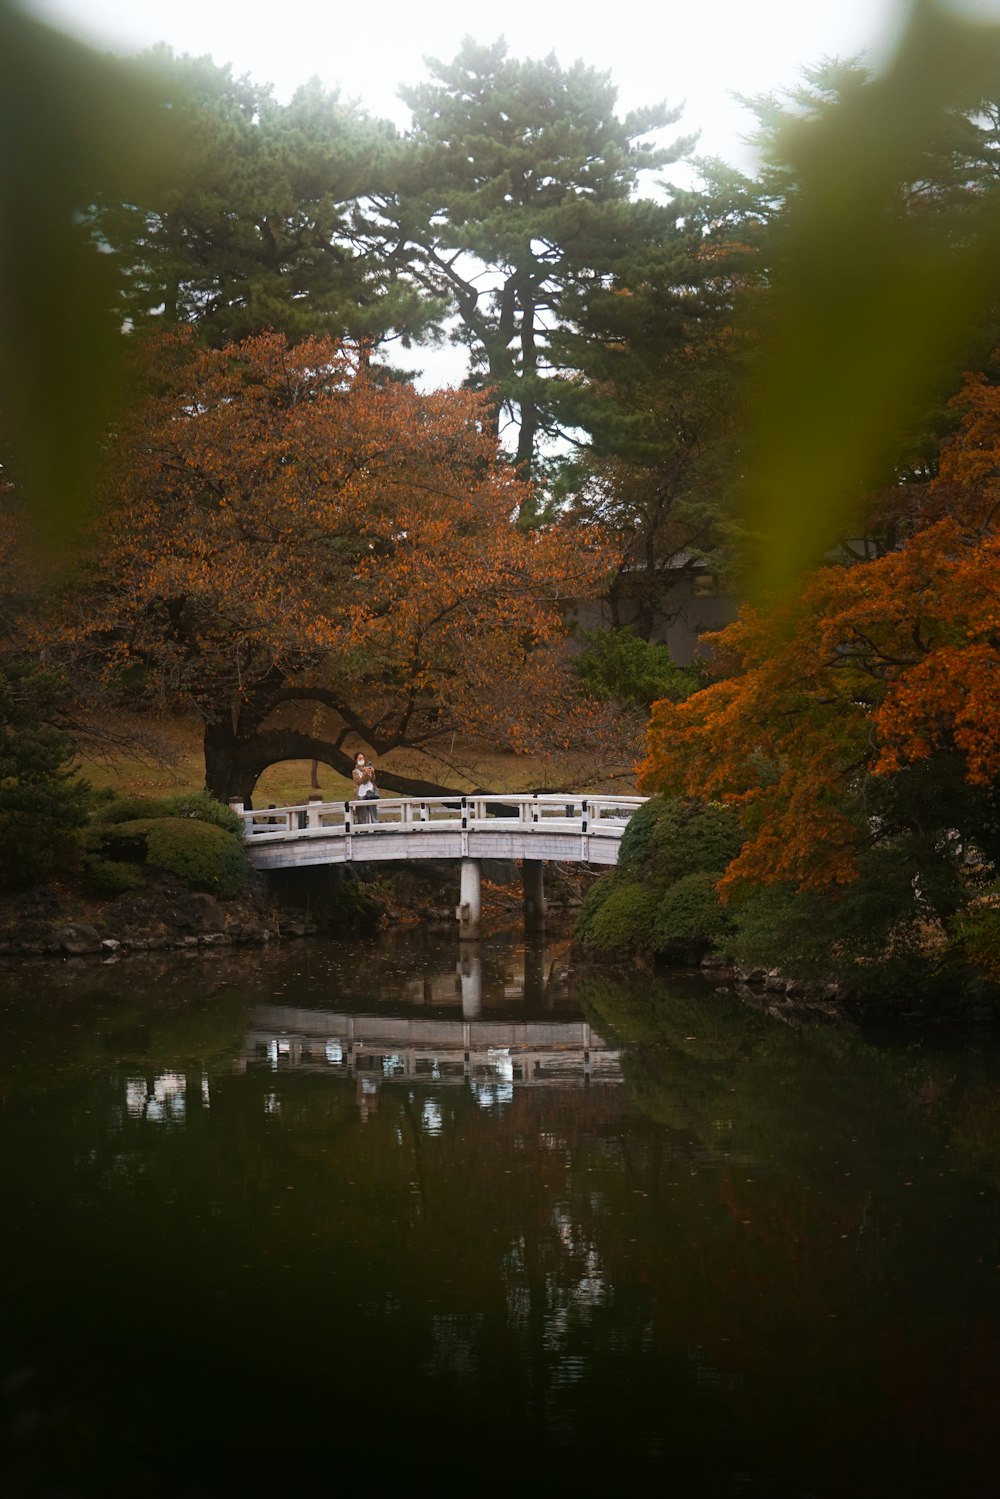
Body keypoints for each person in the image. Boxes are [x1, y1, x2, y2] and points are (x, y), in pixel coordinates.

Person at [352, 751, 379, 824]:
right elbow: (359, 782)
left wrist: (372, 772)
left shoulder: (367, 769)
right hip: (361, 794)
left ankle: (376, 826)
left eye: (362, 758)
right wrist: (365, 774)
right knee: (362, 813)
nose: (361, 760)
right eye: (359, 759)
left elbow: (373, 780)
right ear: (356, 760)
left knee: (373, 811)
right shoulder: (355, 772)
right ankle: (362, 828)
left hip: (370, 792)